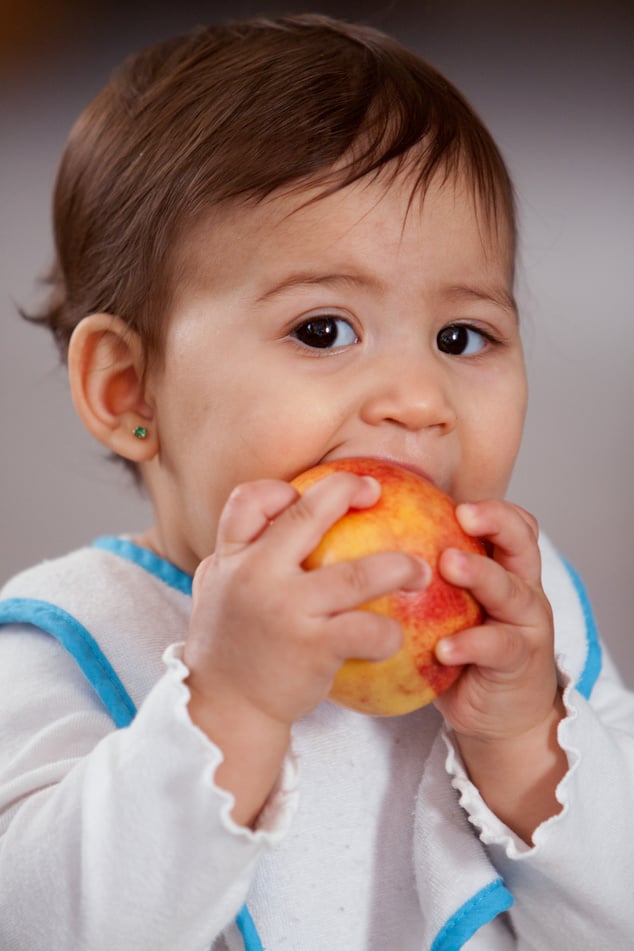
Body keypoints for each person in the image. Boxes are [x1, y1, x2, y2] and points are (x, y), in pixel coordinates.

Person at [0, 13, 632, 951]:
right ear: (129, 387)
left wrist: (530, 747)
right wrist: (231, 708)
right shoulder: (70, 640)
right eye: (324, 330)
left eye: (463, 337)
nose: (421, 399)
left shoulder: (523, 630)